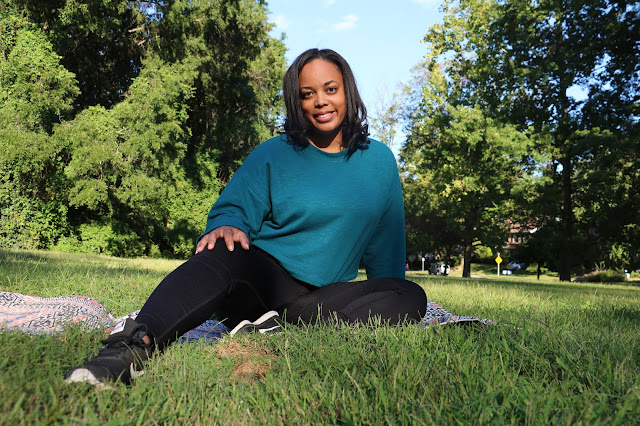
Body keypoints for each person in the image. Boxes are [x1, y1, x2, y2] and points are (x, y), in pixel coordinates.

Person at [65, 48, 428, 386]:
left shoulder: (379, 162)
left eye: (330, 89)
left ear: (347, 90)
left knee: (409, 295)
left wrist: (386, 293)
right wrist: (229, 224)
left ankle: (275, 328)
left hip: (318, 301)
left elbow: (387, 242)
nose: (320, 101)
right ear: (296, 101)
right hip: (261, 280)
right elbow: (234, 208)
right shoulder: (276, 152)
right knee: (221, 250)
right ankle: (130, 347)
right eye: (307, 94)